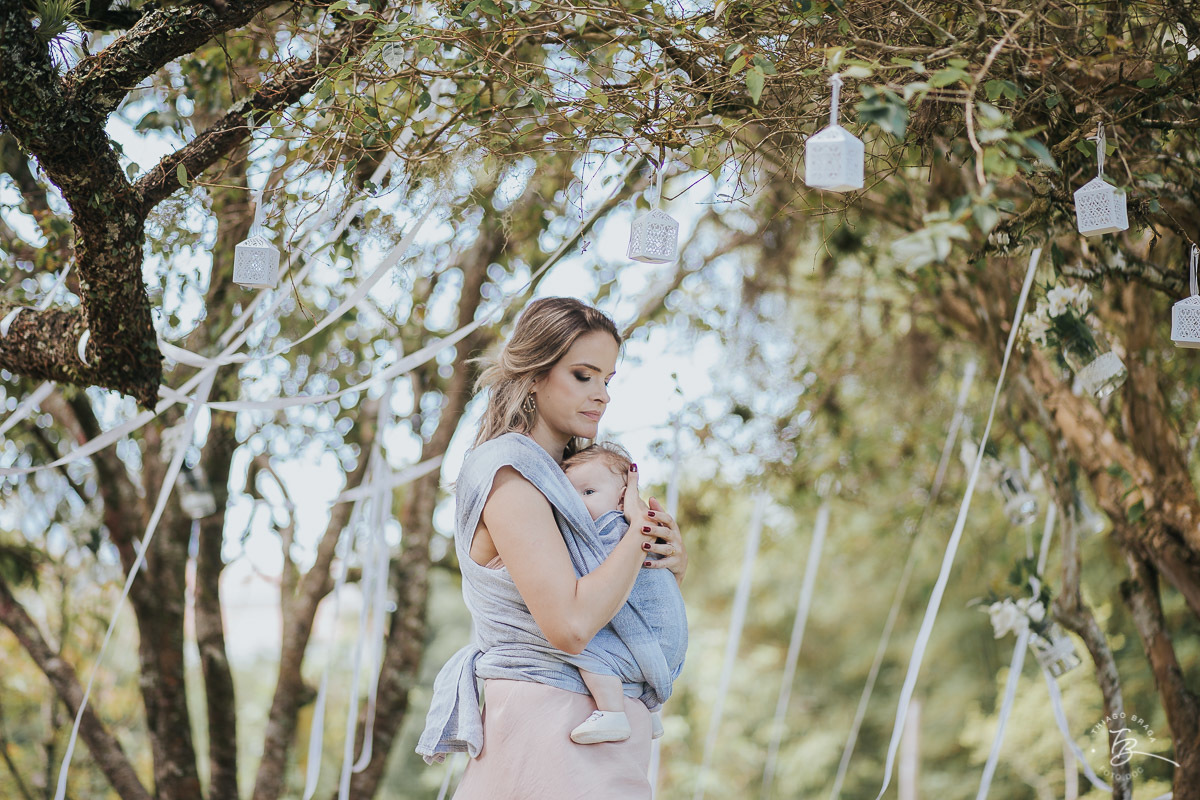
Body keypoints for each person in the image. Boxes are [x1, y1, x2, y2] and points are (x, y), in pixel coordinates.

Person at [416, 296, 689, 799]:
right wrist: (636, 533)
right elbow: (569, 626)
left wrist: (663, 563)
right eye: (584, 375)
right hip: (553, 723)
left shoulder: (574, 479)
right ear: (535, 374)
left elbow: (613, 599)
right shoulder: (509, 473)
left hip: (599, 730)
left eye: (607, 379)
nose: (602, 394)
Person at [561, 441, 681, 744]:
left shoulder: (610, 530)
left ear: (622, 499)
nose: (577, 502)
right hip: (670, 643)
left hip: (650, 642)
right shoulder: (638, 529)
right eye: (569, 494)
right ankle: (649, 713)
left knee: (581, 646)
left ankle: (612, 713)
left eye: (588, 493)